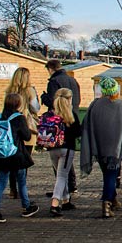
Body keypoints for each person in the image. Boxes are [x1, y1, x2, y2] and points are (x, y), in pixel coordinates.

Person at [80, 77, 122, 218]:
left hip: (99, 147)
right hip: (115, 148)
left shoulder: (94, 105)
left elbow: (86, 125)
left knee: (107, 173)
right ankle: (106, 203)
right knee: (111, 174)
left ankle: (113, 198)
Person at [0, 93, 38, 222]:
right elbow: (26, 136)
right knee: (21, 181)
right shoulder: (19, 118)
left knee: (2, 181)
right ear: (18, 104)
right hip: (16, 154)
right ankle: (26, 206)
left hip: (2, 153)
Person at [42, 60, 81, 193]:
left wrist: (44, 97)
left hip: (59, 121)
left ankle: (61, 190)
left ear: (51, 69)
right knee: (67, 154)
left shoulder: (54, 82)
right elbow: (78, 99)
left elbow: (54, 102)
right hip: (72, 116)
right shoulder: (73, 80)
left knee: (58, 158)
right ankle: (71, 184)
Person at [4, 67, 39, 200]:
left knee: (12, 159)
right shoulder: (30, 90)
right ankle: (22, 188)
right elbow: (35, 108)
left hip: (11, 129)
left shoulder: (9, 91)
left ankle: (13, 189)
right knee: (24, 160)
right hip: (27, 127)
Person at [47, 88, 81, 217]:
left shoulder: (50, 114)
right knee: (62, 176)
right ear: (69, 99)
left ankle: (66, 200)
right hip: (67, 149)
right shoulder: (70, 114)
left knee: (60, 175)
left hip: (52, 148)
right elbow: (78, 132)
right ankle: (55, 203)